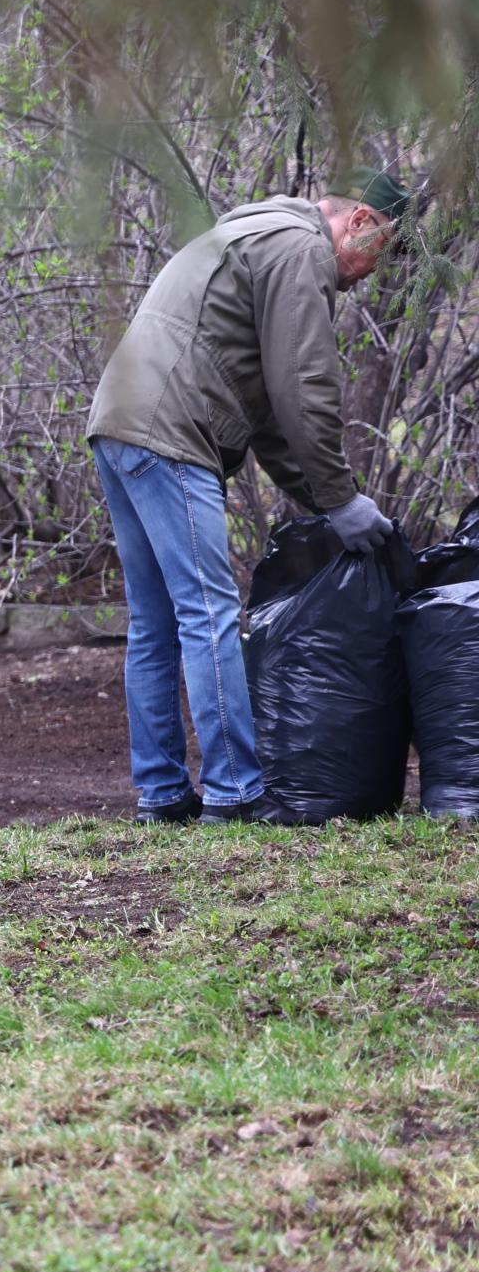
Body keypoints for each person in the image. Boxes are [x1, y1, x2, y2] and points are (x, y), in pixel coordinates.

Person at [86, 168, 411, 828]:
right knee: (207, 614)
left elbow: (268, 414)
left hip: (120, 423)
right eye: (374, 257)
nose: (363, 279)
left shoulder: (258, 231)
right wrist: (344, 500)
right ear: (359, 222)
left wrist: (326, 502)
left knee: (156, 624)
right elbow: (305, 390)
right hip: (171, 434)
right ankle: (234, 793)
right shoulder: (301, 254)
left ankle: (162, 795)